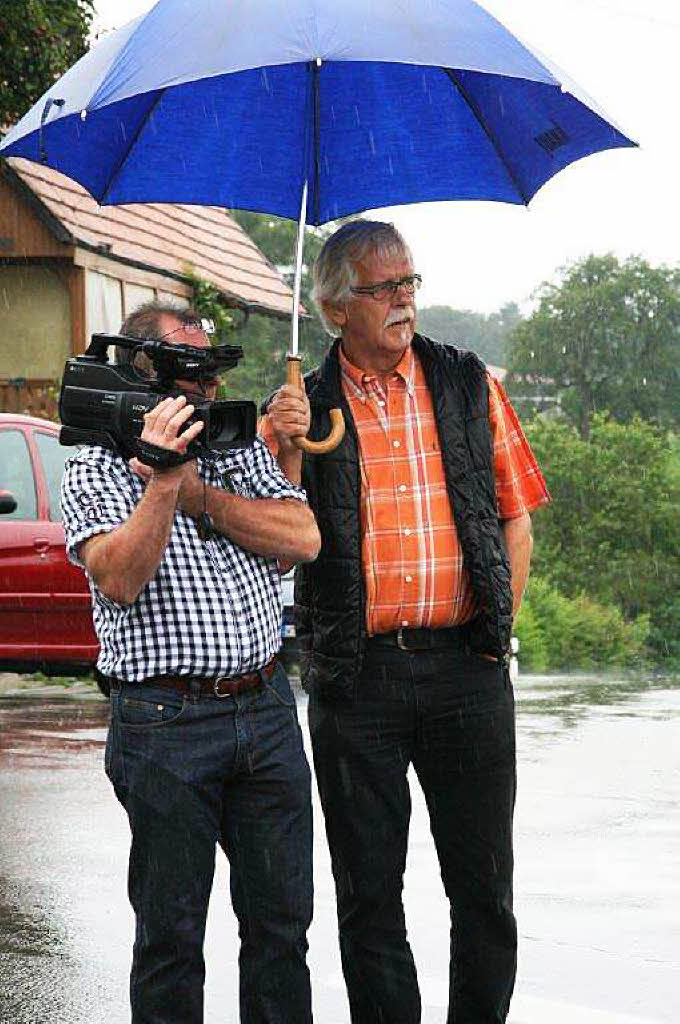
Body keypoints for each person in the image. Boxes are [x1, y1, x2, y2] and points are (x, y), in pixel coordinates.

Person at [261, 221, 550, 1024]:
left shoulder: (466, 383)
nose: (403, 301)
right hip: (358, 677)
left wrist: (496, 636)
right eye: (383, 288)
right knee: (369, 898)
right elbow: (279, 546)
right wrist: (282, 447)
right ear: (332, 309)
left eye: (409, 283)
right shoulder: (304, 407)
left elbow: (516, 520)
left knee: (485, 891)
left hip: (468, 668)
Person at [60, 302, 320, 1024]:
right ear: (146, 373)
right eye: (192, 373)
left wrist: (201, 490)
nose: (207, 391)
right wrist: (164, 481)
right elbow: (117, 577)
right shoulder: (91, 466)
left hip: (265, 707)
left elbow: (301, 537)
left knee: (280, 928)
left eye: (212, 373)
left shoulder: (232, 446)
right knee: (171, 938)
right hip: (163, 723)